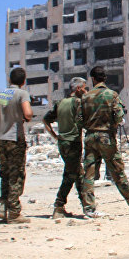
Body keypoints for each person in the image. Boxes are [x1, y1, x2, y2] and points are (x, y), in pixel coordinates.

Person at [79, 66, 129, 217]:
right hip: (106, 138)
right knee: (116, 170)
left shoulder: (85, 97)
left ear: (93, 79)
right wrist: (116, 122)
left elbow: (79, 119)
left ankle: (89, 208)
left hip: (90, 137)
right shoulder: (112, 95)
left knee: (89, 174)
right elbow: (118, 116)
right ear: (105, 78)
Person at [0, 67, 33, 223]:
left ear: (9, 79)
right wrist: (25, 116)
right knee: (16, 175)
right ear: (23, 81)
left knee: (5, 173)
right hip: (15, 139)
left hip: (0, 139)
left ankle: (3, 207)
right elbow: (28, 114)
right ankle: (14, 212)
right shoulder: (22, 94)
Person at [44, 77, 89, 219]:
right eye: (84, 88)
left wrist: (54, 135)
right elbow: (84, 121)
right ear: (77, 89)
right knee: (70, 175)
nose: (85, 90)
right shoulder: (78, 103)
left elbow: (46, 120)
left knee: (77, 173)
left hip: (62, 143)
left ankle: (87, 205)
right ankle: (59, 205)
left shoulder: (60, 103)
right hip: (73, 143)